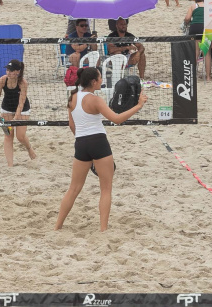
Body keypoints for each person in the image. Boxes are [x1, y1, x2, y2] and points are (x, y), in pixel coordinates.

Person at [54, 67, 147, 232]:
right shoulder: (95, 100)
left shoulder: (72, 98)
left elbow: (72, 125)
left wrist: (82, 141)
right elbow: (117, 119)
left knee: (73, 188)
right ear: (93, 82)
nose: (102, 81)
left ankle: (57, 226)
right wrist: (138, 106)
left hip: (81, 143)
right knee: (106, 189)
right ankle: (103, 229)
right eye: (100, 78)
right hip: (98, 142)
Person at [0, 59, 36, 167]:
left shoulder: (23, 83)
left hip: (23, 109)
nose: (8, 72)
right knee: (8, 135)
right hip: (6, 109)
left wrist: (16, 118)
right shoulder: (2, 80)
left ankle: (29, 148)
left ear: (18, 72)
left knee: (20, 136)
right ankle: (10, 165)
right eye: (8, 69)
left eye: (11, 70)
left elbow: (21, 103)